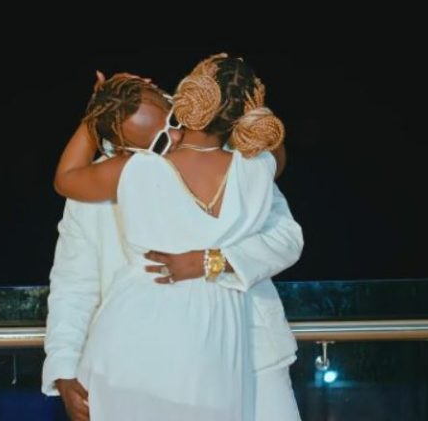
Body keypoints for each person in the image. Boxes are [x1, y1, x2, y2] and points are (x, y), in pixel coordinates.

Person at [44, 58, 302, 420]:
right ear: (123, 146)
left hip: (255, 349)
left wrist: (213, 261)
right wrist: (64, 368)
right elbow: (74, 284)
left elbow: (286, 238)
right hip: (140, 364)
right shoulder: (106, 181)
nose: (175, 138)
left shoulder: (238, 160)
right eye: (160, 140)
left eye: (174, 123)